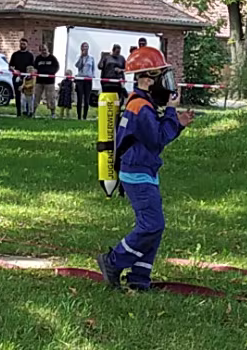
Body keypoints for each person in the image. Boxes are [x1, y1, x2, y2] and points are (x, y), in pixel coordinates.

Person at [95, 47, 193, 291]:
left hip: (144, 170)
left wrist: (177, 123)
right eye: (162, 78)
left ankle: (139, 278)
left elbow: (154, 137)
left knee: (154, 227)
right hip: (137, 173)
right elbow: (157, 139)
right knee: (152, 225)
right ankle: (113, 261)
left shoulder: (142, 104)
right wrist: (171, 112)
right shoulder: (140, 107)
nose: (167, 85)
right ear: (147, 80)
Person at [31, 43, 59, 117]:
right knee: (36, 96)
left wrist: (51, 72)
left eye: (45, 50)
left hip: (49, 82)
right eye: (42, 50)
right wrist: (34, 72)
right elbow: (35, 68)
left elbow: (57, 67)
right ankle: (33, 112)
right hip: (39, 81)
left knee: (51, 97)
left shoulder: (52, 58)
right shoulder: (38, 58)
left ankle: (53, 113)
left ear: (47, 49)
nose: (44, 51)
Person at [8, 39, 35, 116]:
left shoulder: (30, 55)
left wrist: (29, 74)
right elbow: (10, 66)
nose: (22, 45)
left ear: (27, 45)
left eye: (24, 44)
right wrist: (14, 70)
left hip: (27, 78)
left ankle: (27, 112)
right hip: (17, 77)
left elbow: (32, 67)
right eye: (21, 44)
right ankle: (18, 112)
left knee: (27, 95)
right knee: (18, 95)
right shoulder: (15, 54)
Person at [74, 42, 96, 119]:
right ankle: (79, 116)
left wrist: (92, 76)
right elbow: (77, 65)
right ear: (82, 48)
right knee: (80, 98)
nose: (86, 48)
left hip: (88, 79)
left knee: (87, 99)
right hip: (80, 79)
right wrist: (81, 57)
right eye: (84, 47)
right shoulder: (78, 56)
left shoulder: (91, 58)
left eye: (87, 47)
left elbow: (93, 68)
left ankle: (85, 116)